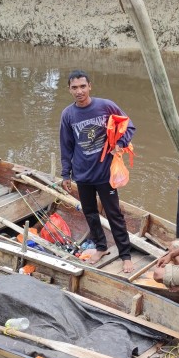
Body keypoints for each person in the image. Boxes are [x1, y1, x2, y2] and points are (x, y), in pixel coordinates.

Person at [59, 69, 137, 273]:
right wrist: (65, 174)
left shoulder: (105, 106)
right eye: (74, 87)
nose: (79, 91)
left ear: (90, 86)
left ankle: (125, 254)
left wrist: (120, 143)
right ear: (69, 90)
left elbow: (129, 126)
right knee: (90, 212)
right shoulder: (68, 114)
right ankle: (101, 247)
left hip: (105, 174)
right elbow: (66, 146)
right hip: (82, 175)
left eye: (83, 86)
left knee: (114, 214)